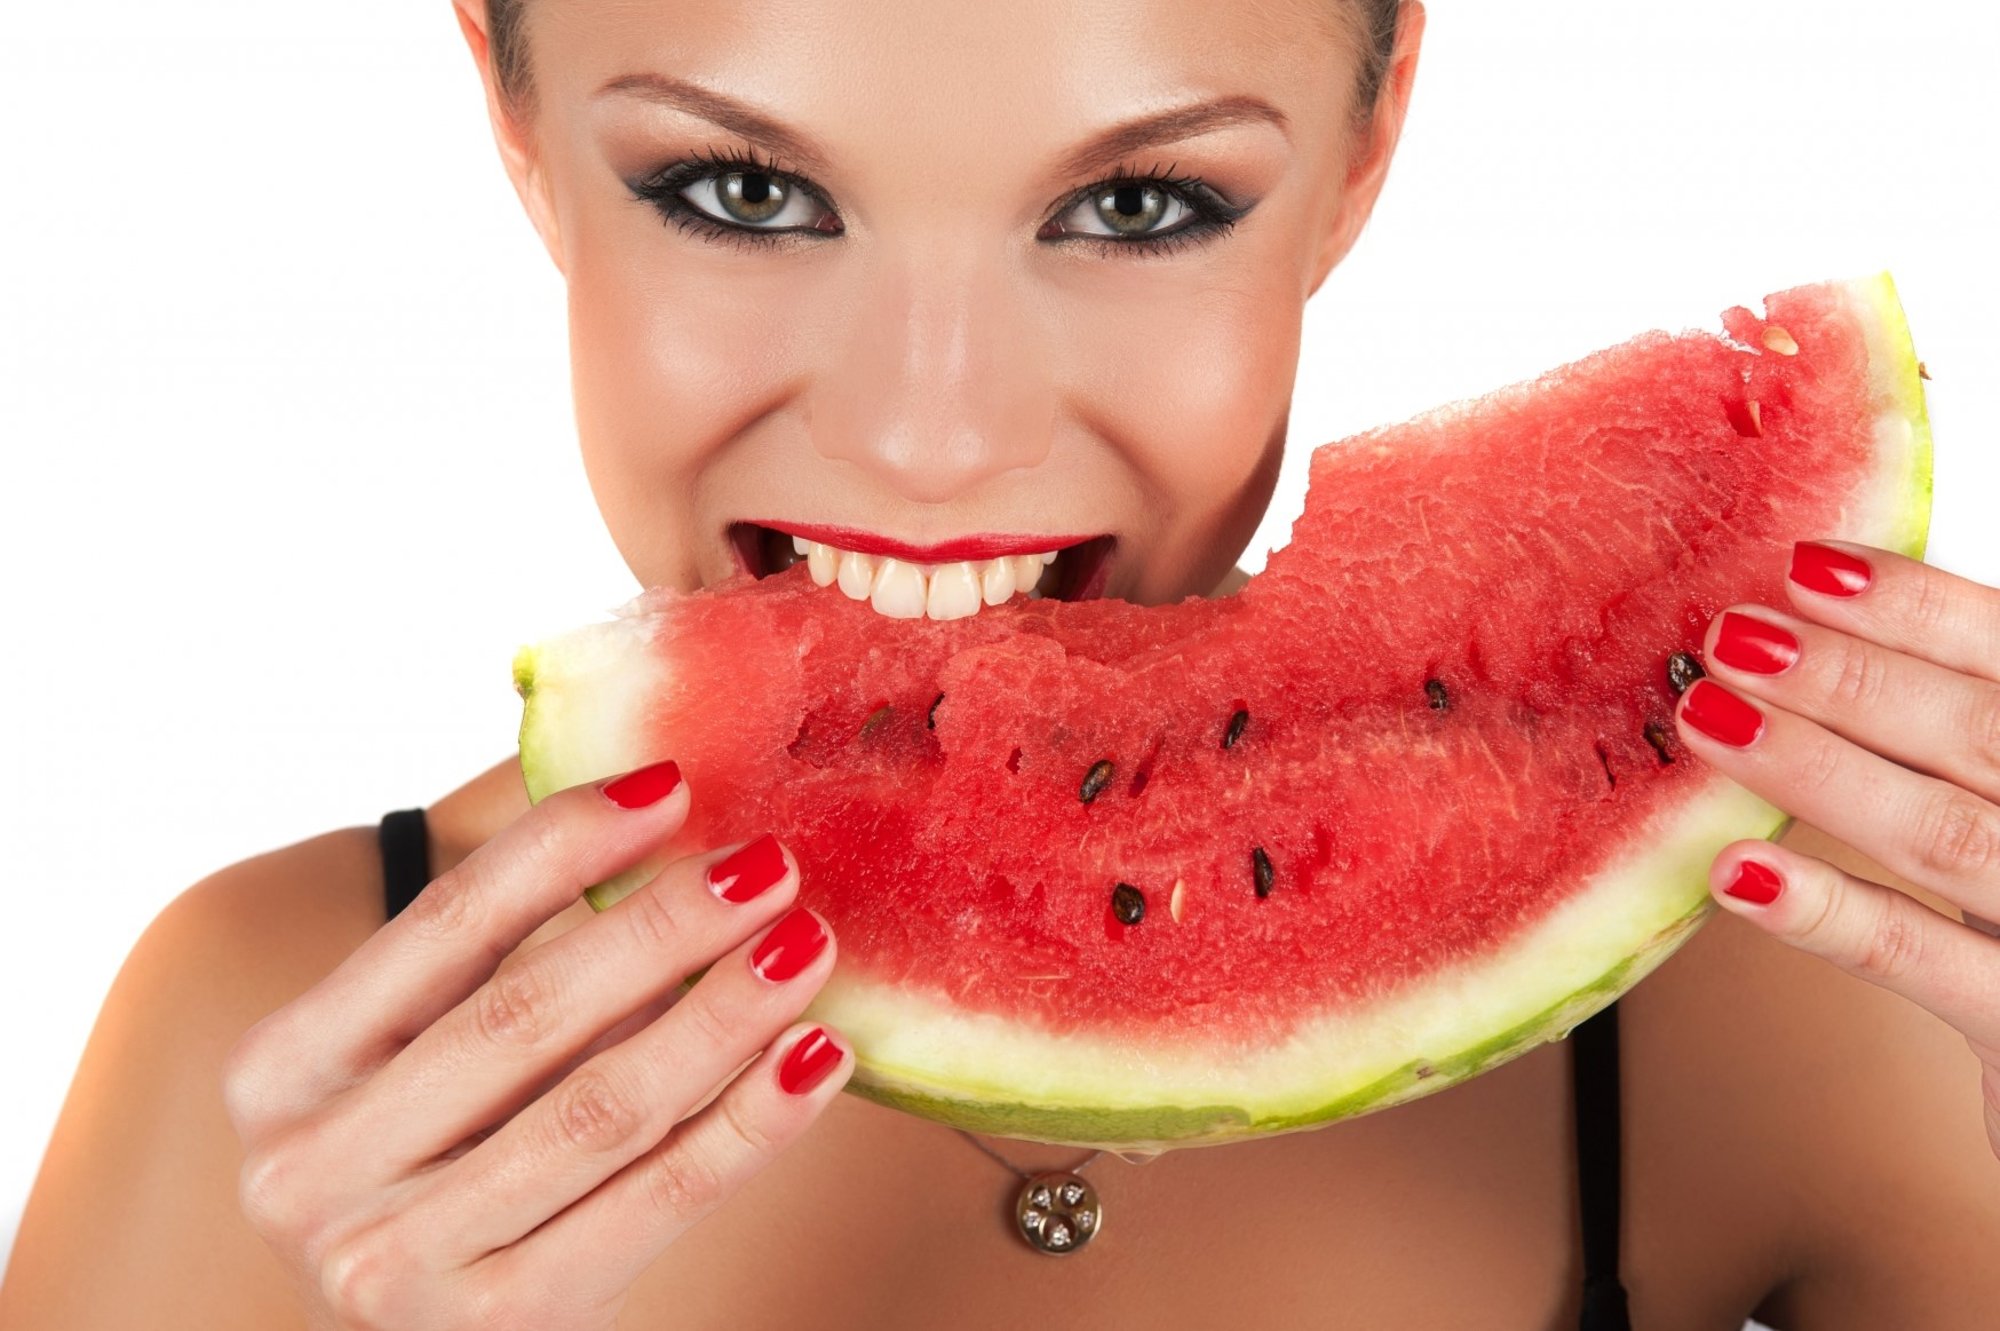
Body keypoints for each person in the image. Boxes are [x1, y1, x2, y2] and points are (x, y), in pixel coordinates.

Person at [4, 1, 1998, 1326]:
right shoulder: (265, 1036)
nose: (931, 439)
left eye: (1141, 205)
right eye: (740, 191)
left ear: (1368, 146)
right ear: (516, 129)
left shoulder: (1780, 1006)